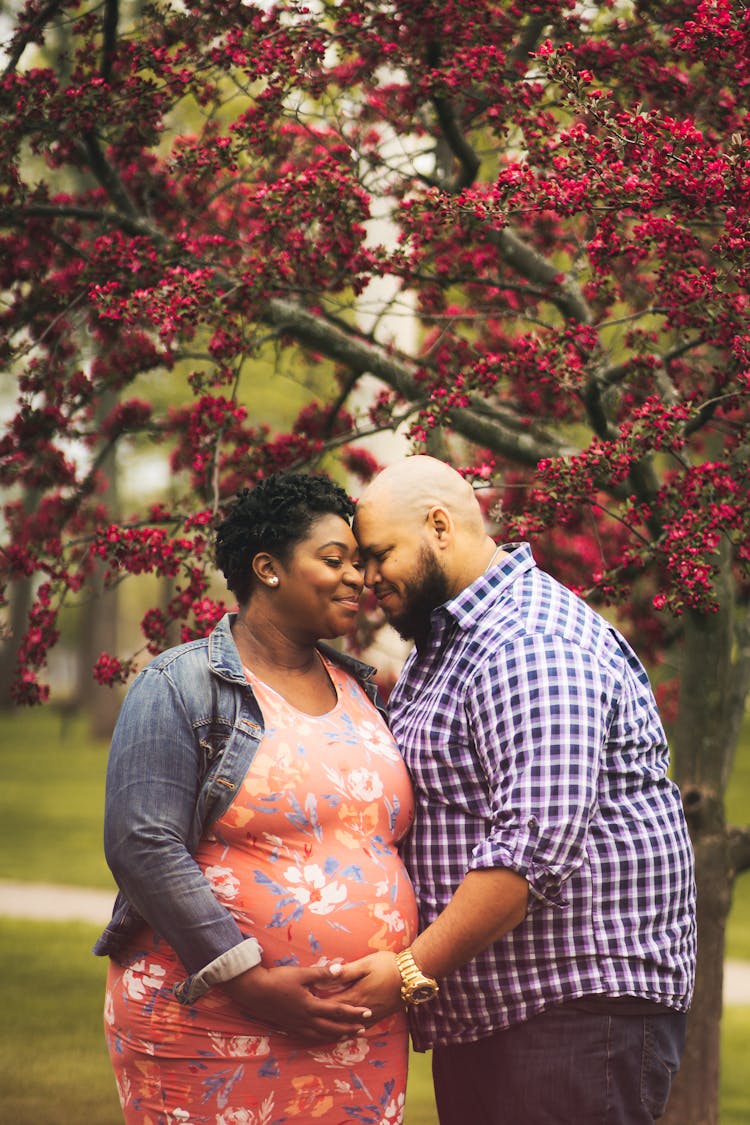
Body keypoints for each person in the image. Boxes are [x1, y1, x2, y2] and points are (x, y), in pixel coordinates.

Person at [334, 455, 697, 1125]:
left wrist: (410, 971)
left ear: (439, 525)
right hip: (504, 1009)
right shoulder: (447, 643)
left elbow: (528, 854)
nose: (366, 577)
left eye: (378, 553)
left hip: (573, 1012)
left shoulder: (528, 640)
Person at [94, 471, 418, 1125]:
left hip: (358, 1035)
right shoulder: (180, 683)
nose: (358, 577)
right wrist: (250, 980)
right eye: (335, 559)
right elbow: (143, 843)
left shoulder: (363, 691)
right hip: (213, 1025)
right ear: (267, 567)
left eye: (360, 561)